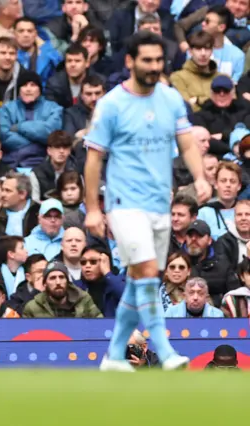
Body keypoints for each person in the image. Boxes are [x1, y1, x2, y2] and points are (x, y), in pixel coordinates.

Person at [84, 32, 211, 372]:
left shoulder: (170, 99)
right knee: (145, 275)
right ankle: (166, 351)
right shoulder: (111, 104)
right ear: (130, 62)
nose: (154, 66)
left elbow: (186, 144)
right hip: (124, 203)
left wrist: (200, 177)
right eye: (147, 60)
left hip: (159, 203)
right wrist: (94, 209)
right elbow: (94, 159)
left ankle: (112, 357)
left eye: (159, 60)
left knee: (144, 277)